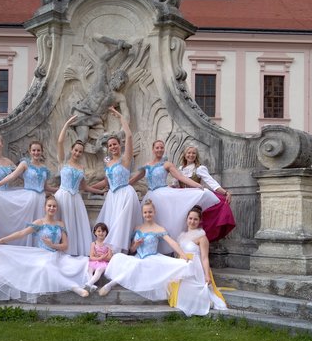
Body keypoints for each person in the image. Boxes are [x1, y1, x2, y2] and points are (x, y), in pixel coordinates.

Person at [0, 194, 91, 301]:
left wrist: (53, 245)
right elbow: (21, 233)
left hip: (57, 254)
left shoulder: (60, 224)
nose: (52, 208)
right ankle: (74, 287)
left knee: (80, 263)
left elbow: (65, 246)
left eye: (54, 206)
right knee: (45, 267)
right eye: (49, 206)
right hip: (41, 255)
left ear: (57, 208)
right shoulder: (39, 222)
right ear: (45, 207)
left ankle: (83, 283)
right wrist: (1, 240)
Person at [129, 140, 220, 253]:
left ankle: (168, 249)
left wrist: (196, 185)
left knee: (165, 221)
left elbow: (180, 177)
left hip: (163, 195)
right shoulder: (146, 166)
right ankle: (150, 248)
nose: (159, 149)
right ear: (153, 149)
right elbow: (136, 178)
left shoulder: (167, 164)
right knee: (151, 220)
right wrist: (124, 185)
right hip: (150, 196)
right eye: (157, 147)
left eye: (161, 147)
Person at [100, 199, 193, 300]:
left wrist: (182, 254)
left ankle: (110, 285)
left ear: (154, 212)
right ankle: (110, 284)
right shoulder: (137, 228)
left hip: (152, 258)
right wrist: (136, 244)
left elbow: (171, 242)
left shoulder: (159, 229)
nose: (147, 214)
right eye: (145, 212)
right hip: (137, 257)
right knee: (119, 258)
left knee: (139, 265)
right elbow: (131, 250)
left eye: (150, 212)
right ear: (142, 213)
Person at [0, 140, 55, 246]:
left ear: (42, 151)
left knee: (40, 224)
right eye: (34, 150)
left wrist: (60, 189)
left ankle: (38, 246)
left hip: (41, 200)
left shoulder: (45, 169)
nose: (36, 152)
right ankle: (24, 245)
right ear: (30, 151)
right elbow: (12, 176)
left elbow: (46, 187)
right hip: (28, 198)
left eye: (38, 150)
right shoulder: (25, 164)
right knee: (27, 226)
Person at [54, 116, 106, 256]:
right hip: (62, 196)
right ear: (72, 150)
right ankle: (60, 249)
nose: (77, 153)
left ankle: (73, 251)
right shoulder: (63, 162)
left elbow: (84, 187)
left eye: (80, 151)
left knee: (74, 227)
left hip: (75, 198)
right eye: (75, 150)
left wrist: (99, 191)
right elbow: (59, 142)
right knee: (63, 223)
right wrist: (66, 124)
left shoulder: (81, 168)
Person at [94, 107, 142, 253]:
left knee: (121, 224)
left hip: (125, 194)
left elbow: (129, 136)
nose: (113, 147)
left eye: (115, 144)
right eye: (110, 145)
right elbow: (106, 181)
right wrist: (88, 187)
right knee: (111, 222)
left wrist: (120, 116)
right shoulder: (107, 161)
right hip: (112, 196)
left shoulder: (125, 159)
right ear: (108, 148)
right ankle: (108, 252)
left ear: (119, 145)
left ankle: (120, 252)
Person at [169, 206, 228, 316]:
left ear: (200, 221)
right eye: (190, 218)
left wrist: (207, 275)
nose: (192, 221)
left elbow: (205, 257)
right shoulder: (182, 236)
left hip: (196, 269)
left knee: (194, 289)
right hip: (183, 268)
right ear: (187, 219)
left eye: (195, 219)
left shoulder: (201, 237)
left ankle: (204, 302)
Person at [175, 145, 235, 242]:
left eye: (193, 153)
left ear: (196, 155)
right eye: (189, 153)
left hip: (194, 199)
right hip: (183, 199)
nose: (191, 155)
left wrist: (225, 192)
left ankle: (196, 244)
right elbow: (175, 184)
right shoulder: (180, 169)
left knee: (194, 219)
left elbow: (211, 182)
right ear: (185, 155)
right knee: (182, 221)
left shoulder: (199, 168)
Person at [85, 222, 113, 292]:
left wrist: (102, 258)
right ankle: (92, 285)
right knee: (89, 270)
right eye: (99, 231)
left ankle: (89, 283)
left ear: (106, 232)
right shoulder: (93, 244)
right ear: (95, 232)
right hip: (94, 261)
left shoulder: (108, 244)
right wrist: (99, 258)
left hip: (104, 263)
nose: (101, 233)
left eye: (103, 231)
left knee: (98, 270)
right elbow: (91, 257)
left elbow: (109, 257)